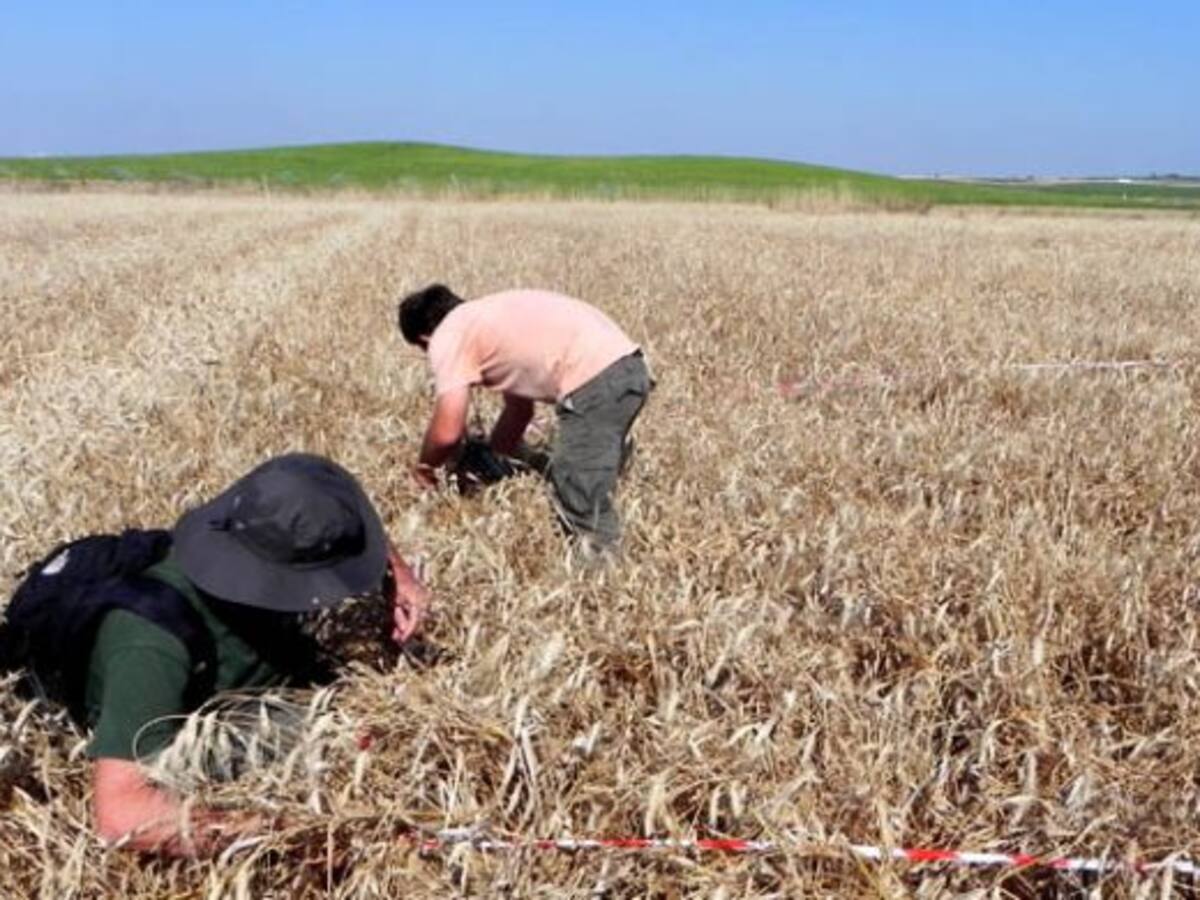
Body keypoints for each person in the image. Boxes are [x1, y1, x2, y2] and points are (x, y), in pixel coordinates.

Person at [19, 453, 428, 856]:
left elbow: (330, 492)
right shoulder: (149, 643)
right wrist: (300, 833)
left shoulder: (255, 527)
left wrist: (398, 572)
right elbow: (120, 817)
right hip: (176, 711)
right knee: (339, 733)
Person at [397, 285, 652, 550]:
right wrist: (495, 459)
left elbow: (447, 433)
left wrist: (424, 470)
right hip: (629, 368)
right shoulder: (487, 321)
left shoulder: (449, 333)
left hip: (596, 381)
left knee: (578, 494)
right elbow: (519, 412)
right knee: (575, 475)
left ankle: (602, 569)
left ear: (425, 339)